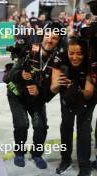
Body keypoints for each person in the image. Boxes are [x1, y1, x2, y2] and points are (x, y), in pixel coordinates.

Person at [3, 22, 65, 169]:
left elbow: (52, 92)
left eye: (55, 38)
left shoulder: (58, 59)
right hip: (17, 95)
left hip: (36, 98)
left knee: (41, 126)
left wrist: (40, 93)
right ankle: (19, 153)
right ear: (43, 35)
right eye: (48, 35)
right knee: (22, 124)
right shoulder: (29, 50)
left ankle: (36, 154)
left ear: (59, 41)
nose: (50, 40)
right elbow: (8, 77)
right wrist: (21, 74)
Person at [51, 37, 95, 176]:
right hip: (67, 97)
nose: (74, 57)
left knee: (84, 130)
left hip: (86, 97)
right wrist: (59, 84)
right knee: (66, 126)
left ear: (85, 53)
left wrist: (75, 90)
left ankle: (84, 166)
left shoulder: (90, 60)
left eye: (79, 53)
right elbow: (53, 89)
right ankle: (65, 160)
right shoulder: (60, 58)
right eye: (71, 53)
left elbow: (88, 93)